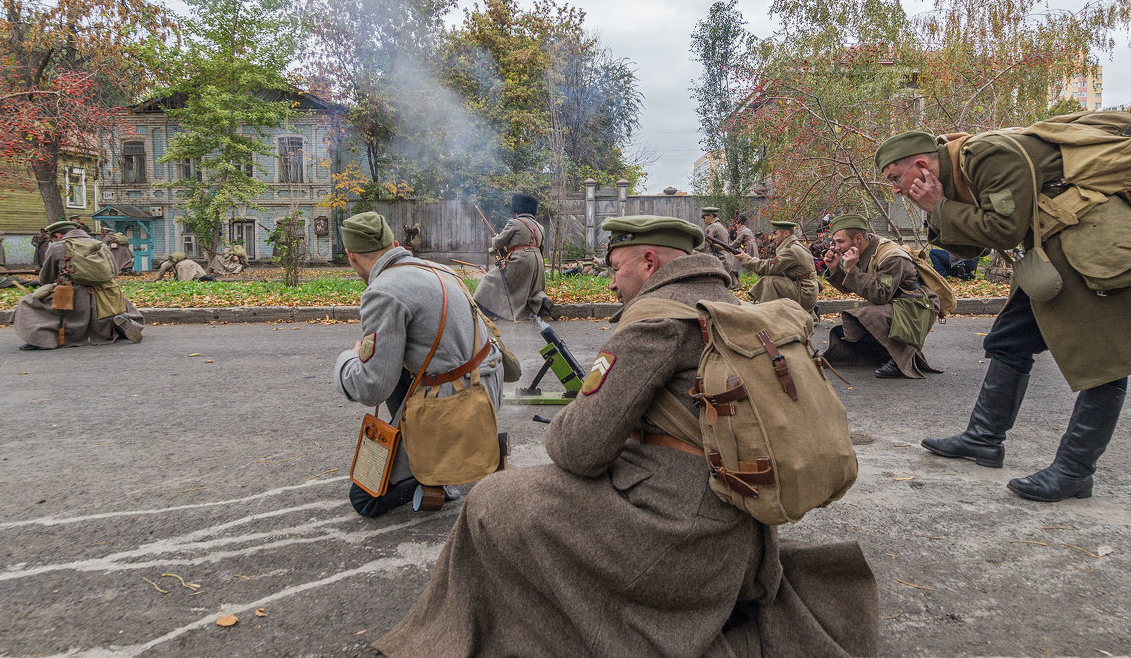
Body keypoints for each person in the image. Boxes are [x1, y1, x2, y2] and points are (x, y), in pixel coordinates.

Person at [371, 214, 878, 656]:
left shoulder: (653, 321)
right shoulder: (726, 304)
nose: (612, 284)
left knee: (492, 502)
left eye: (617, 268)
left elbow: (579, 449)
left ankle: (462, 638)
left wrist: (582, 414)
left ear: (650, 263)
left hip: (677, 534)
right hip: (739, 534)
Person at [877, 128, 1131, 501]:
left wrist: (939, 207)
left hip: (1095, 247)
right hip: (1056, 248)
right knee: (1008, 340)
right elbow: (970, 248)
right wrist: (937, 208)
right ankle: (983, 439)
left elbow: (1002, 230)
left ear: (920, 164)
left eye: (894, 179)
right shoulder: (955, 174)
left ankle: (1075, 471)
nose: (896, 190)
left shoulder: (986, 157)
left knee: (1105, 361)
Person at [333, 211, 503, 517]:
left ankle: (431, 475)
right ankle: (436, 460)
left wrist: (347, 360)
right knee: (397, 367)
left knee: (365, 499)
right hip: (487, 387)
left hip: (459, 404)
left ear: (350, 256)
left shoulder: (382, 292)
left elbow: (372, 386)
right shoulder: (437, 268)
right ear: (395, 243)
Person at [819, 213, 941, 379]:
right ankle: (883, 351)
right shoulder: (866, 250)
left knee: (870, 314)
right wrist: (835, 269)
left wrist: (850, 270)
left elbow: (880, 294)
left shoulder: (890, 256)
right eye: (836, 242)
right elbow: (853, 287)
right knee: (859, 314)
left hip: (916, 305)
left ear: (858, 238)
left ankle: (899, 359)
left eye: (841, 241)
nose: (837, 247)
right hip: (896, 301)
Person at [11, 220, 144, 349]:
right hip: (107, 294)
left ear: (58, 235)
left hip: (72, 296)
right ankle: (120, 324)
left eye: (54, 238)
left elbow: (46, 278)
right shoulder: (100, 244)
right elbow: (114, 271)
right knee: (124, 305)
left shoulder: (58, 247)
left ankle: (42, 338)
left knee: (28, 302)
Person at [472, 193, 553, 320]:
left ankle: (486, 309)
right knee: (532, 288)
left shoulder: (514, 223)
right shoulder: (540, 227)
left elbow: (498, 243)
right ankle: (541, 300)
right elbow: (541, 247)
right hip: (538, 262)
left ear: (518, 209)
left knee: (492, 278)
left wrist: (495, 238)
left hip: (521, 259)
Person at [736, 220, 819, 312]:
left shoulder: (790, 249)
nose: (773, 237)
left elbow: (770, 266)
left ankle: (768, 315)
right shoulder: (793, 245)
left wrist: (746, 259)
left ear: (786, 234)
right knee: (769, 277)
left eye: (776, 234)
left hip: (804, 294)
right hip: (805, 289)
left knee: (768, 280)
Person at [694, 206, 739, 289]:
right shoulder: (721, 226)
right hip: (725, 258)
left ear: (711, 216)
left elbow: (703, 247)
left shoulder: (712, 227)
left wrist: (691, 247)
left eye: (704, 217)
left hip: (719, 259)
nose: (704, 220)